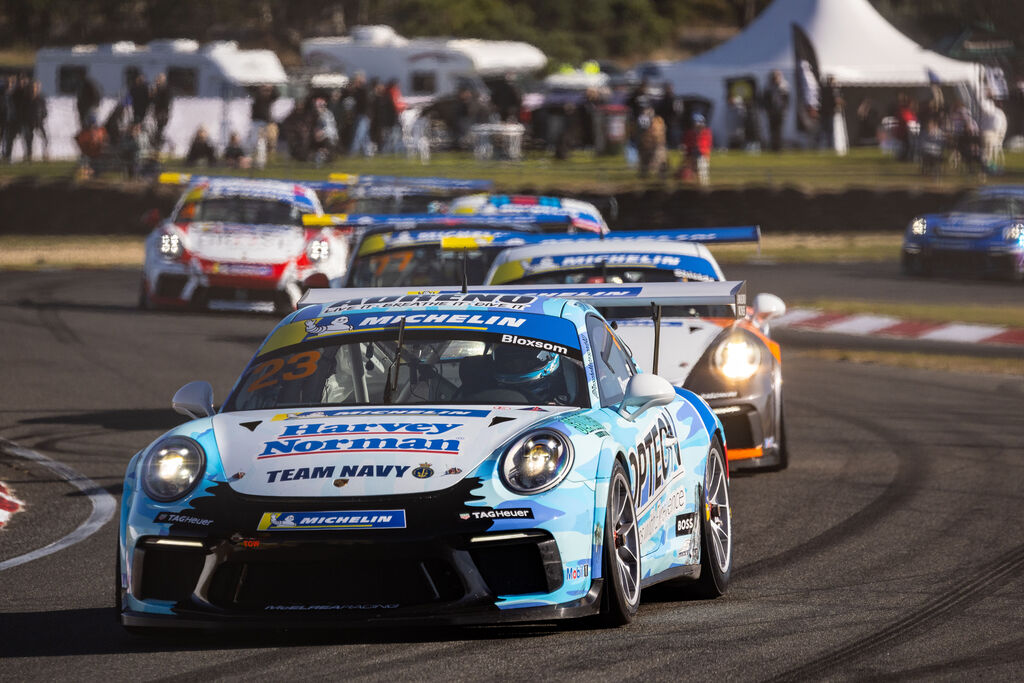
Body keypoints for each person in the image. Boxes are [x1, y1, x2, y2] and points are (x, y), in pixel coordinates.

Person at [492, 345, 564, 404]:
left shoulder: (565, 394)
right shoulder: (489, 388)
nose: (516, 366)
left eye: (525, 362)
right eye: (509, 361)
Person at [762, 70, 789, 152]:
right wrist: (768, 109)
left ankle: (778, 147)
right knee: (772, 130)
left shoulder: (783, 87)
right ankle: (773, 147)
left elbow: (786, 100)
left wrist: (784, 109)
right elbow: (765, 100)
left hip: (780, 111)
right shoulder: (768, 88)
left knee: (779, 130)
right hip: (771, 112)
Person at [636, 105, 666, 178]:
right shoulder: (643, 119)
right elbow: (641, 131)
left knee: (660, 160)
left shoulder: (659, 120)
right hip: (646, 145)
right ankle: (643, 175)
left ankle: (662, 176)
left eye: (650, 111)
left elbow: (663, 131)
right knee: (645, 162)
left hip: (658, 144)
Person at [682, 113, 713, 185]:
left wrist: (707, 155)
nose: (698, 126)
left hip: (702, 154)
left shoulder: (706, 132)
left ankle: (703, 185)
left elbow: (707, 145)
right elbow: (686, 144)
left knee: (702, 171)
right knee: (689, 172)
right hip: (691, 154)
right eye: (696, 124)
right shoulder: (689, 133)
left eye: (700, 124)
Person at [348, 72, 372, 156]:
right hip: (362, 115)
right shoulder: (360, 90)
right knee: (365, 135)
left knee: (359, 134)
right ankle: (368, 152)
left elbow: (362, 101)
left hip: (363, 115)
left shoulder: (363, 90)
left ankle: (353, 151)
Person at [150, 73, 172, 147]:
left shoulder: (165, 89)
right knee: (157, 129)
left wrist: (155, 94)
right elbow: (153, 101)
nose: (157, 82)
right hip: (158, 112)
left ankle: (158, 145)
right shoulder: (157, 89)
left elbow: (165, 102)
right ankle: (156, 143)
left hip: (162, 113)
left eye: (158, 80)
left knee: (159, 129)